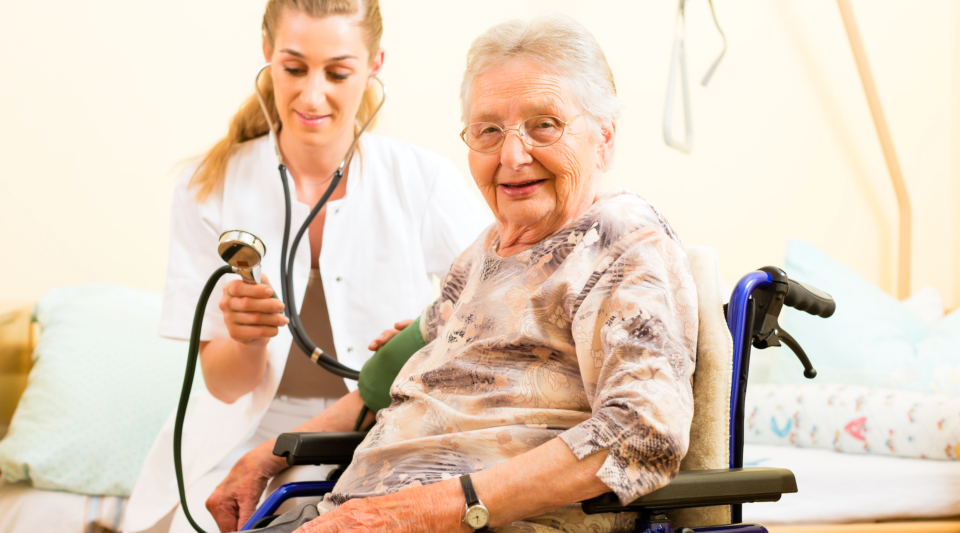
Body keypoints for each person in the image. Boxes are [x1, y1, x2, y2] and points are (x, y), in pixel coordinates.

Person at [242, 13, 699, 533]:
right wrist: (265, 458)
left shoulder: (618, 240)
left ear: (605, 139)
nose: (512, 154)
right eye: (488, 130)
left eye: (544, 124)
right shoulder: (484, 251)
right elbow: (392, 375)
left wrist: (421, 511)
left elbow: (643, 432)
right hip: (354, 514)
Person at [121, 1, 490, 532]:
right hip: (243, 433)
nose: (312, 95)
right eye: (293, 68)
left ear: (374, 65)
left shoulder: (424, 180)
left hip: (380, 425)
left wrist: (422, 341)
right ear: (267, 54)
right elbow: (225, 387)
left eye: (338, 72)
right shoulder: (208, 185)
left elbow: (497, 304)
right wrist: (245, 339)